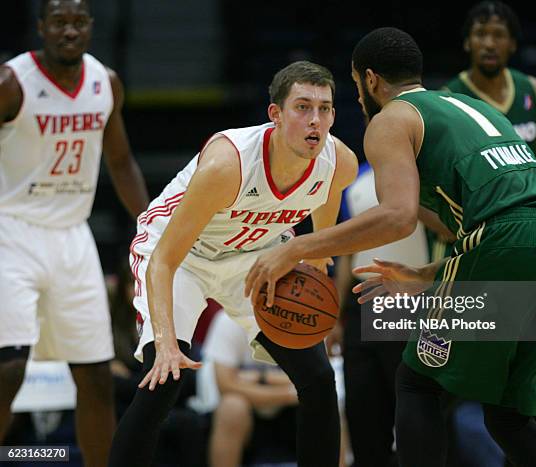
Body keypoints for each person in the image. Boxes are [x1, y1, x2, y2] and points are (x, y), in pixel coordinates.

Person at [245, 27, 536, 467]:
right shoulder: (471, 105)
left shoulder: (391, 118)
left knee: (417, 383)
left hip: (510, 238)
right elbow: (507, 204)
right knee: (508, 415)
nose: (356, 98)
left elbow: (397, 216)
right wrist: (430, 274)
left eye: (354, 86)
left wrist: (294, 248)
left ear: (370, 80)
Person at [108, 60, 358, 467]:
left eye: (325, 109)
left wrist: (315, 250)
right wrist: (167, 342)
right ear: (275, 114)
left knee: (318, 377)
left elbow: (327, 193)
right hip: (181, 255)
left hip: (252, 257)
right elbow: (164, 259)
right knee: (164, 380)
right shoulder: (229, 164)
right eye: (303, 107)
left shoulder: (339, 162)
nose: (316, 120)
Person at [0, 1, 149, 466]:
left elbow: (121, 162)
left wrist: (151, 224)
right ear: (41, 26)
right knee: (9, 369)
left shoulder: (106, 82)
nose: (70, 30)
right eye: (59, 21)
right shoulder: (11, 83)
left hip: (73, 235)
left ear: (90, 27)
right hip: (12, 230)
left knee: (96, 376)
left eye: (79, 21)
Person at [438, 0, 536, 259]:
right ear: (468, 42)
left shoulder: (533, 90)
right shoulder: (449, 100)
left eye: (499, 35)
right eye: (480, 34)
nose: (489, 44)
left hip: (528, 232)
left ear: (512, 44)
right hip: (475, 239)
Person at [327, 161, 430, 467]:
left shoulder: (428, 172)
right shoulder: (355, 179)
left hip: (415, 303)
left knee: (417, 419)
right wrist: (334, 317)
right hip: (364, 303)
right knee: (364, 416)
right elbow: (347, 250)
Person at [205, 311, 298, 467]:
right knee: (232, 406)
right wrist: (288, 393)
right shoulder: (228, 320)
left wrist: (260, 378)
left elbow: (321, 378)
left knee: (325, 405)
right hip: (248, 414)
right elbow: (226, 385)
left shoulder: (305, 318)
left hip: (292, 413)